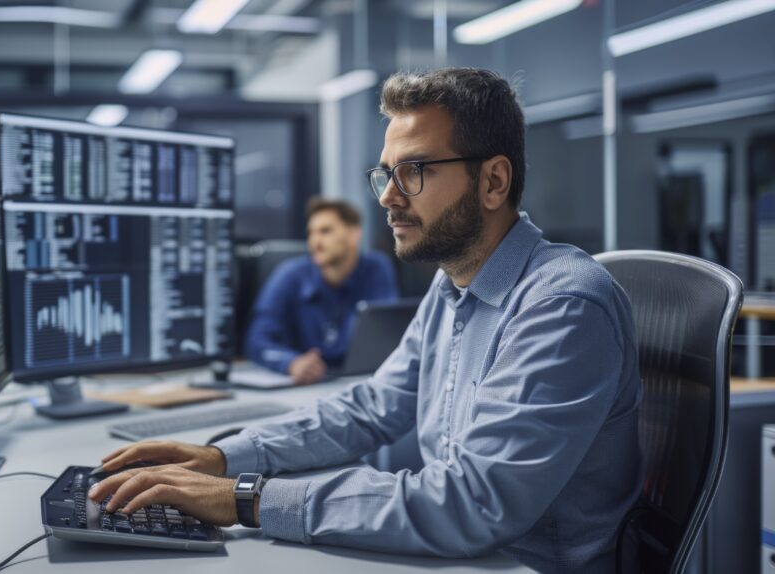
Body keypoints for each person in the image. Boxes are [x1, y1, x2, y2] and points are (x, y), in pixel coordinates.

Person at [89, 68, 642, 573]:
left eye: (415, 171)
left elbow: (471, 504)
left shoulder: (562, 304)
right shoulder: (455, 282)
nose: (390, 198)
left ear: (494, 182)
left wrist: (245, 497)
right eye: (385, 175)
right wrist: (223, 456)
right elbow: (372, 408)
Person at [244, 197, 398, 384]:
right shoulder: (288, 275)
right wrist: (291, 362)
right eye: (311, 233)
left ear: (354, 233)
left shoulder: (376, 268)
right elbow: (256, 341)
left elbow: (384, 335)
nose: (315, 241)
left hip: (358, 380)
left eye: (325, 231)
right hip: (307, 384)